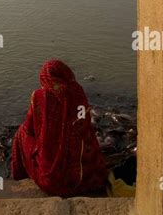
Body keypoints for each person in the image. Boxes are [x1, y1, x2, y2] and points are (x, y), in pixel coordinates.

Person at [11, 59, 107, 197]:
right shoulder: (77, 91)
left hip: (52, 180)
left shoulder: (40, 96)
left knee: (21, 133)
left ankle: (21, 174)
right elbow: (85, 126)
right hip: (87, 175)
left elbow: (29, 127)